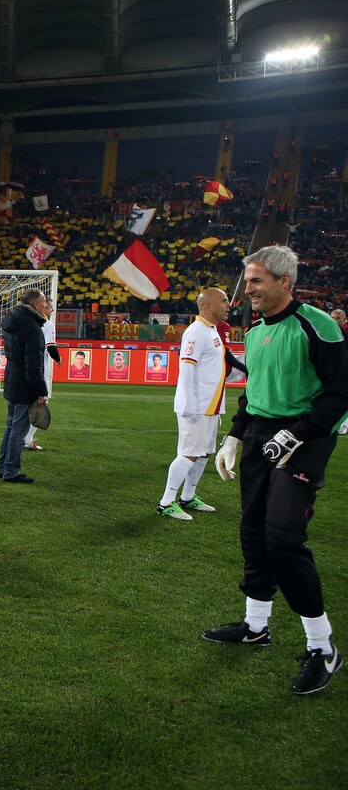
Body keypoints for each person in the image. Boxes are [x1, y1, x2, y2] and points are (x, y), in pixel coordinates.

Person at [206, 246, 348, 695]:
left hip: (304, 440)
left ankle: (322, 647)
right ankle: (256, 626)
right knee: (253, 531)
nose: (247, 290)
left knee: (284, 538)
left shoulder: (317, 324)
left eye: (256, 281)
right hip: (259, 436)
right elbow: (254, 391)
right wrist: (234, 435)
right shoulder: (255, 330)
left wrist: (298, 434)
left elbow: (341, 392)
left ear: (284, 281)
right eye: (247, 281)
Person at [156, 288, 232, 521]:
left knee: (203, 453)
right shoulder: (196, 331)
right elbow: (187, 368)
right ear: (207, 306)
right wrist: (188, 404)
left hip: (211, 406)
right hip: (196, 407)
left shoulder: (212, 330)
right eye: (223, 300)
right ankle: (166, 502)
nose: (228, 304)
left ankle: (187, 497)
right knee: (188, 454)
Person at [0, 289, 50, 483]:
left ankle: (2, 467)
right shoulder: (33, 328)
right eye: (44, 302)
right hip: (24, 384)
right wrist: (41, 391)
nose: (46, 306)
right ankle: (11, 471)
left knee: (11, 426)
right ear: (35, 305)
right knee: (18, 430)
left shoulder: (13, 320)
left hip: (12, 378)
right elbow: (33, 366)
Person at [24, 302, 59, 451]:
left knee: (23, 406)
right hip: (39, 371)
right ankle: (27, 438)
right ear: (44, 307)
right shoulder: (48, 325)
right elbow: (51, 347)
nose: (52, 310)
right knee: (40, 403)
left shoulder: (26, 322)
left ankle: (19, 438)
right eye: (50, 307)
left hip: (23, 369)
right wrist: (58, 358)